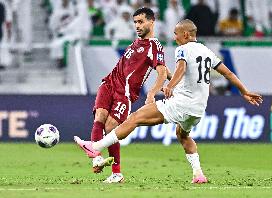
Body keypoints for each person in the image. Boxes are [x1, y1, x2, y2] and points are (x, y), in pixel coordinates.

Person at [74, 19, 262, 184]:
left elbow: (181, 69)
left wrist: (170, 86)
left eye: (176, 34)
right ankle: (198, 174)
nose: (174, 38)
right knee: (183, 135)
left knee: (134, 119)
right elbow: (227, 73)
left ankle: (95, 146)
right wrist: (244, 91)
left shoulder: (183, 49)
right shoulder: (207, 51)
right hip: (198, 109)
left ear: (186, 34)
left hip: (181, 103)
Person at [87, 7, 170, 183]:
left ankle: (116, 173)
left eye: (141, 22)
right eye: (135, 22)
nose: (137, 26)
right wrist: (174, 79)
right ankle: (97, 159)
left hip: (124, 93)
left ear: (151, 22)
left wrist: (153, 93)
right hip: (108, 83)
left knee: (111, 128)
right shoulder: (136, 42)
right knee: (99, 118)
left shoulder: (155, 45)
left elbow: (161, 71)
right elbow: (165, 70)